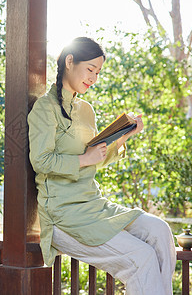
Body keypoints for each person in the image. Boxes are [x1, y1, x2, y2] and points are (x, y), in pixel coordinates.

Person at [27, 37, 176, 294]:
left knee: (160, 231)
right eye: (90, 69)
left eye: (98, 72)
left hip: (94, 205)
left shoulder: (86, 110)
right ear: (70, 61)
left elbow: (95, 157)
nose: (93, 78)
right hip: (64, 214)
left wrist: (124, 135)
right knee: (141, 258)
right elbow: (41, 161)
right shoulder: (45, 108)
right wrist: (85, 158)